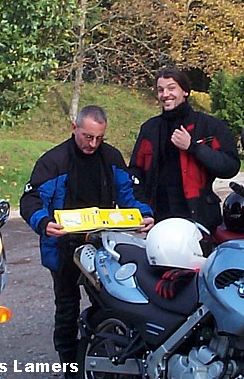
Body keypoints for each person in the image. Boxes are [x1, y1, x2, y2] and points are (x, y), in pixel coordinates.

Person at [19, 105, 153, 377]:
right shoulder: (53, 161)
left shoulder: (112, 157)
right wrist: (44, 223)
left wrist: (145, 214)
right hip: (63, 247)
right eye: (87, 137)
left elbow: (130, 193)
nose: (92, 144)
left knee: (112, 304)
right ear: (74, 128)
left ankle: (105, 357)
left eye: (99, 138)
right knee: (67, 310)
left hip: (102, 244)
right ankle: (69, 365)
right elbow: (30, 200)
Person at [129, 68, 240, 233]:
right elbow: (134, 172)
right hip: (158, 220)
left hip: (199, 219)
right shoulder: (149, 129)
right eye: (160, 90)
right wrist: (143, 209)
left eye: (171, 88)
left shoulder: (209, 126)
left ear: (185, 91)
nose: (165, 94)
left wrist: (193, 147)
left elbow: (230, 166)